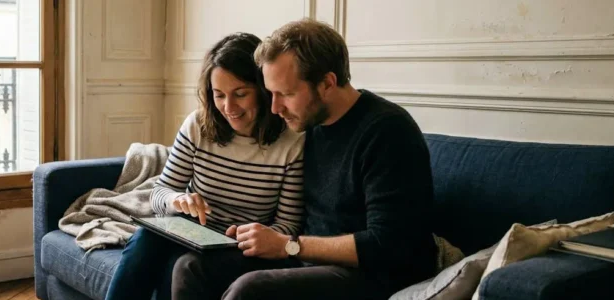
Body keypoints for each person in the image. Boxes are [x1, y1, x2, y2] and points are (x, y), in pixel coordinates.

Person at [171, 19, 438, 300]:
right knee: (191, 267)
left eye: (285, 94)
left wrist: (288, 245)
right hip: (308, 260)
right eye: (270, 94)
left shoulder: (388, 131)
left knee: (250, 290)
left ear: (327, 83)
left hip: (374, 272)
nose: (274, 108)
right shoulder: (311, 125)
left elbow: (390, 244)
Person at [104, 32, 306, 300]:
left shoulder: (291, 143)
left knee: (181, 267)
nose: (228, 106)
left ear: (263, 89)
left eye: (240, 94)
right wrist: (179, 200)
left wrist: (255, 235)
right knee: (146, 238)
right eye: (218, 95)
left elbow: (288, 226)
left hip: (240, 248)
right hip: (193, 234)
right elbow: (159, 193)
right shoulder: (198, 125)